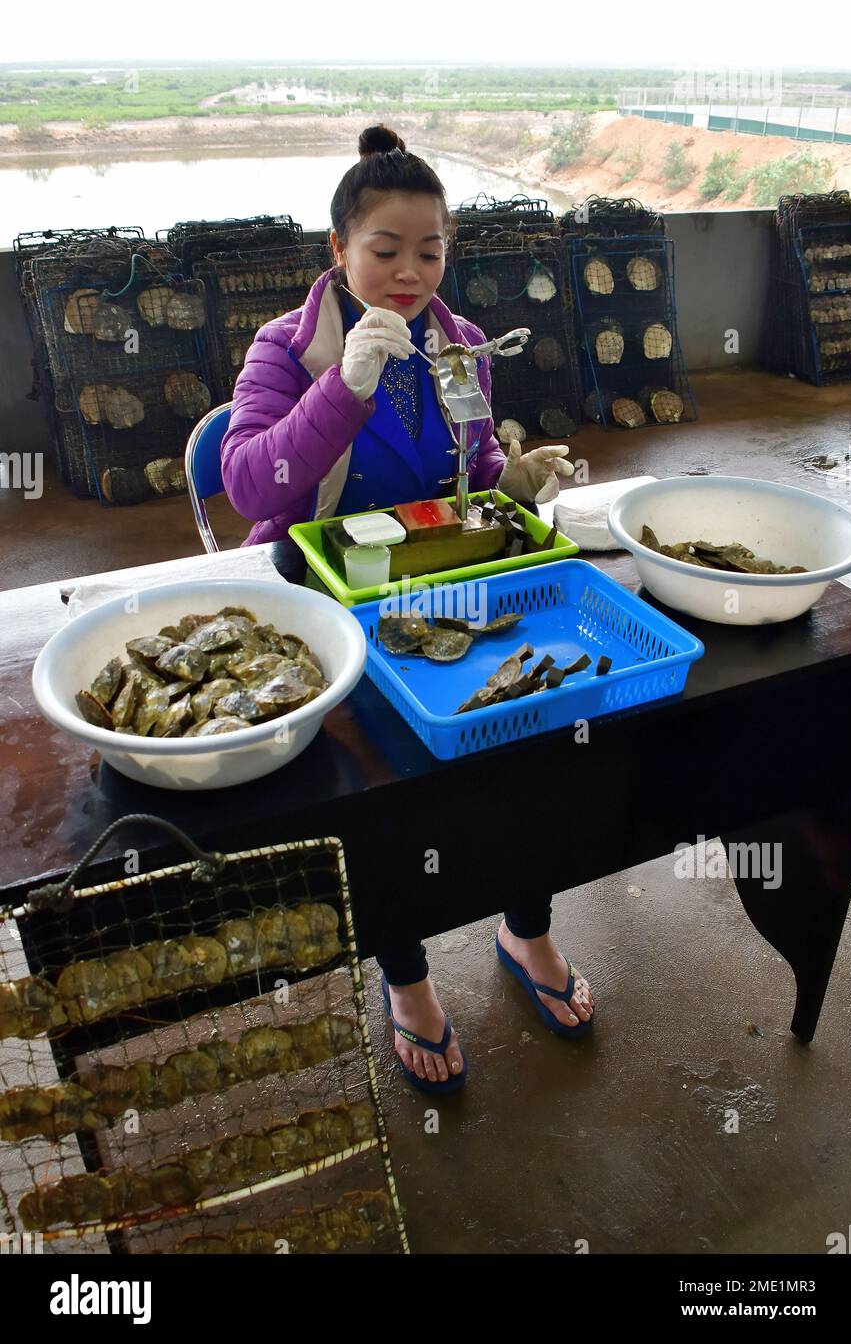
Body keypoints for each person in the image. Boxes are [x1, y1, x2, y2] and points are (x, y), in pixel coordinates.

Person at [222, 124, 595, 1093]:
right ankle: (410, 979)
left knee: (523, 747)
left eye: (429, 250)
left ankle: (526, 931)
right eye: (383, 250)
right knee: (381, 801)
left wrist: (509, 479)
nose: (407, 272)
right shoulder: (289, 349)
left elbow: (467, 475)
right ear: (336, 252)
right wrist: (342, 389)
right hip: (329, 605)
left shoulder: (461, 343)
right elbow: (251, 486)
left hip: (440, 583)